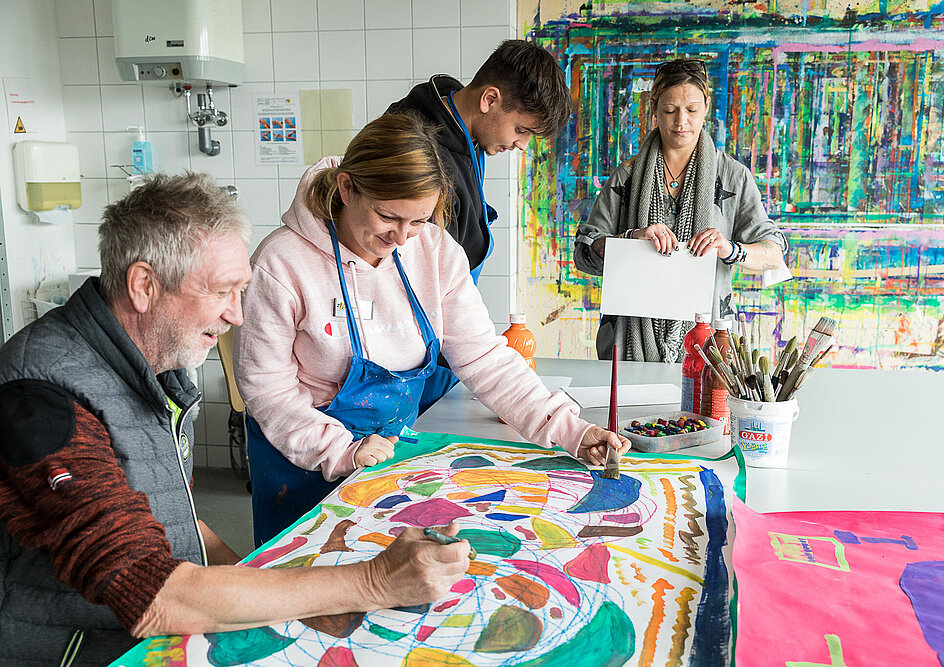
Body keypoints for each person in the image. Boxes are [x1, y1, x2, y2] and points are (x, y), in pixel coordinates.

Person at [0, 174, 470, 667]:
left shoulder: (143, 365)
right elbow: (154, 595)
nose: (237, 316)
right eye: (223, 291)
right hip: (75, 651)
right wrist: (374, 581)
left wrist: (259, 575)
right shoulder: (42, 397)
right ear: (144, 285)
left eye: (241, 290)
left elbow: (168, 514)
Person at [233, 113, 629, 547]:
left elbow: (486, 359)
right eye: (388, 216)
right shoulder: (281, 263)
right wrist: (341, 451)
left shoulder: (435, 252)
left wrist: (572, 430)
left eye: (418, 220)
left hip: (392, 456)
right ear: (347, 188)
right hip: (301, 458)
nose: (402, 237)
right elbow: (267, 390)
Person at [387, 38, 571, 413]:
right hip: (406, 351)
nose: (521, 145)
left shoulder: (465, 128)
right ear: (490, 99)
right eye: (521, 130)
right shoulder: (416, 144)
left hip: (443, 338)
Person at [574, 58, 787, 362]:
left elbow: (775, 252)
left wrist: (729, 249)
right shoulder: (628, 176)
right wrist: (631, 238)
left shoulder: (734, 176)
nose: (680, 122)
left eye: (691, 110)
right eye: (670, 110)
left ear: (707, 107)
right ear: (654, 109)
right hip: (627, 345)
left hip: (710, 343)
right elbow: (584, 250)